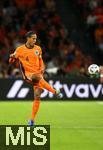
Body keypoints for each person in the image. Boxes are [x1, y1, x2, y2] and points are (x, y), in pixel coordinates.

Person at [9, 31, 62, 126]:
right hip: (28, 75)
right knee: (37, 77)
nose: (35, 40)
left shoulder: (38, 48)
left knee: (37, 96)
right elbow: (11, 61)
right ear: (28, 38)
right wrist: (12, 57)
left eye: (36, 38)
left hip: (38, 74)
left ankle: (32, 120)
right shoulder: (20, 49)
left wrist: (42, 68)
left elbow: (41, 61)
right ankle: (55, 92)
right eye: (33, 38)